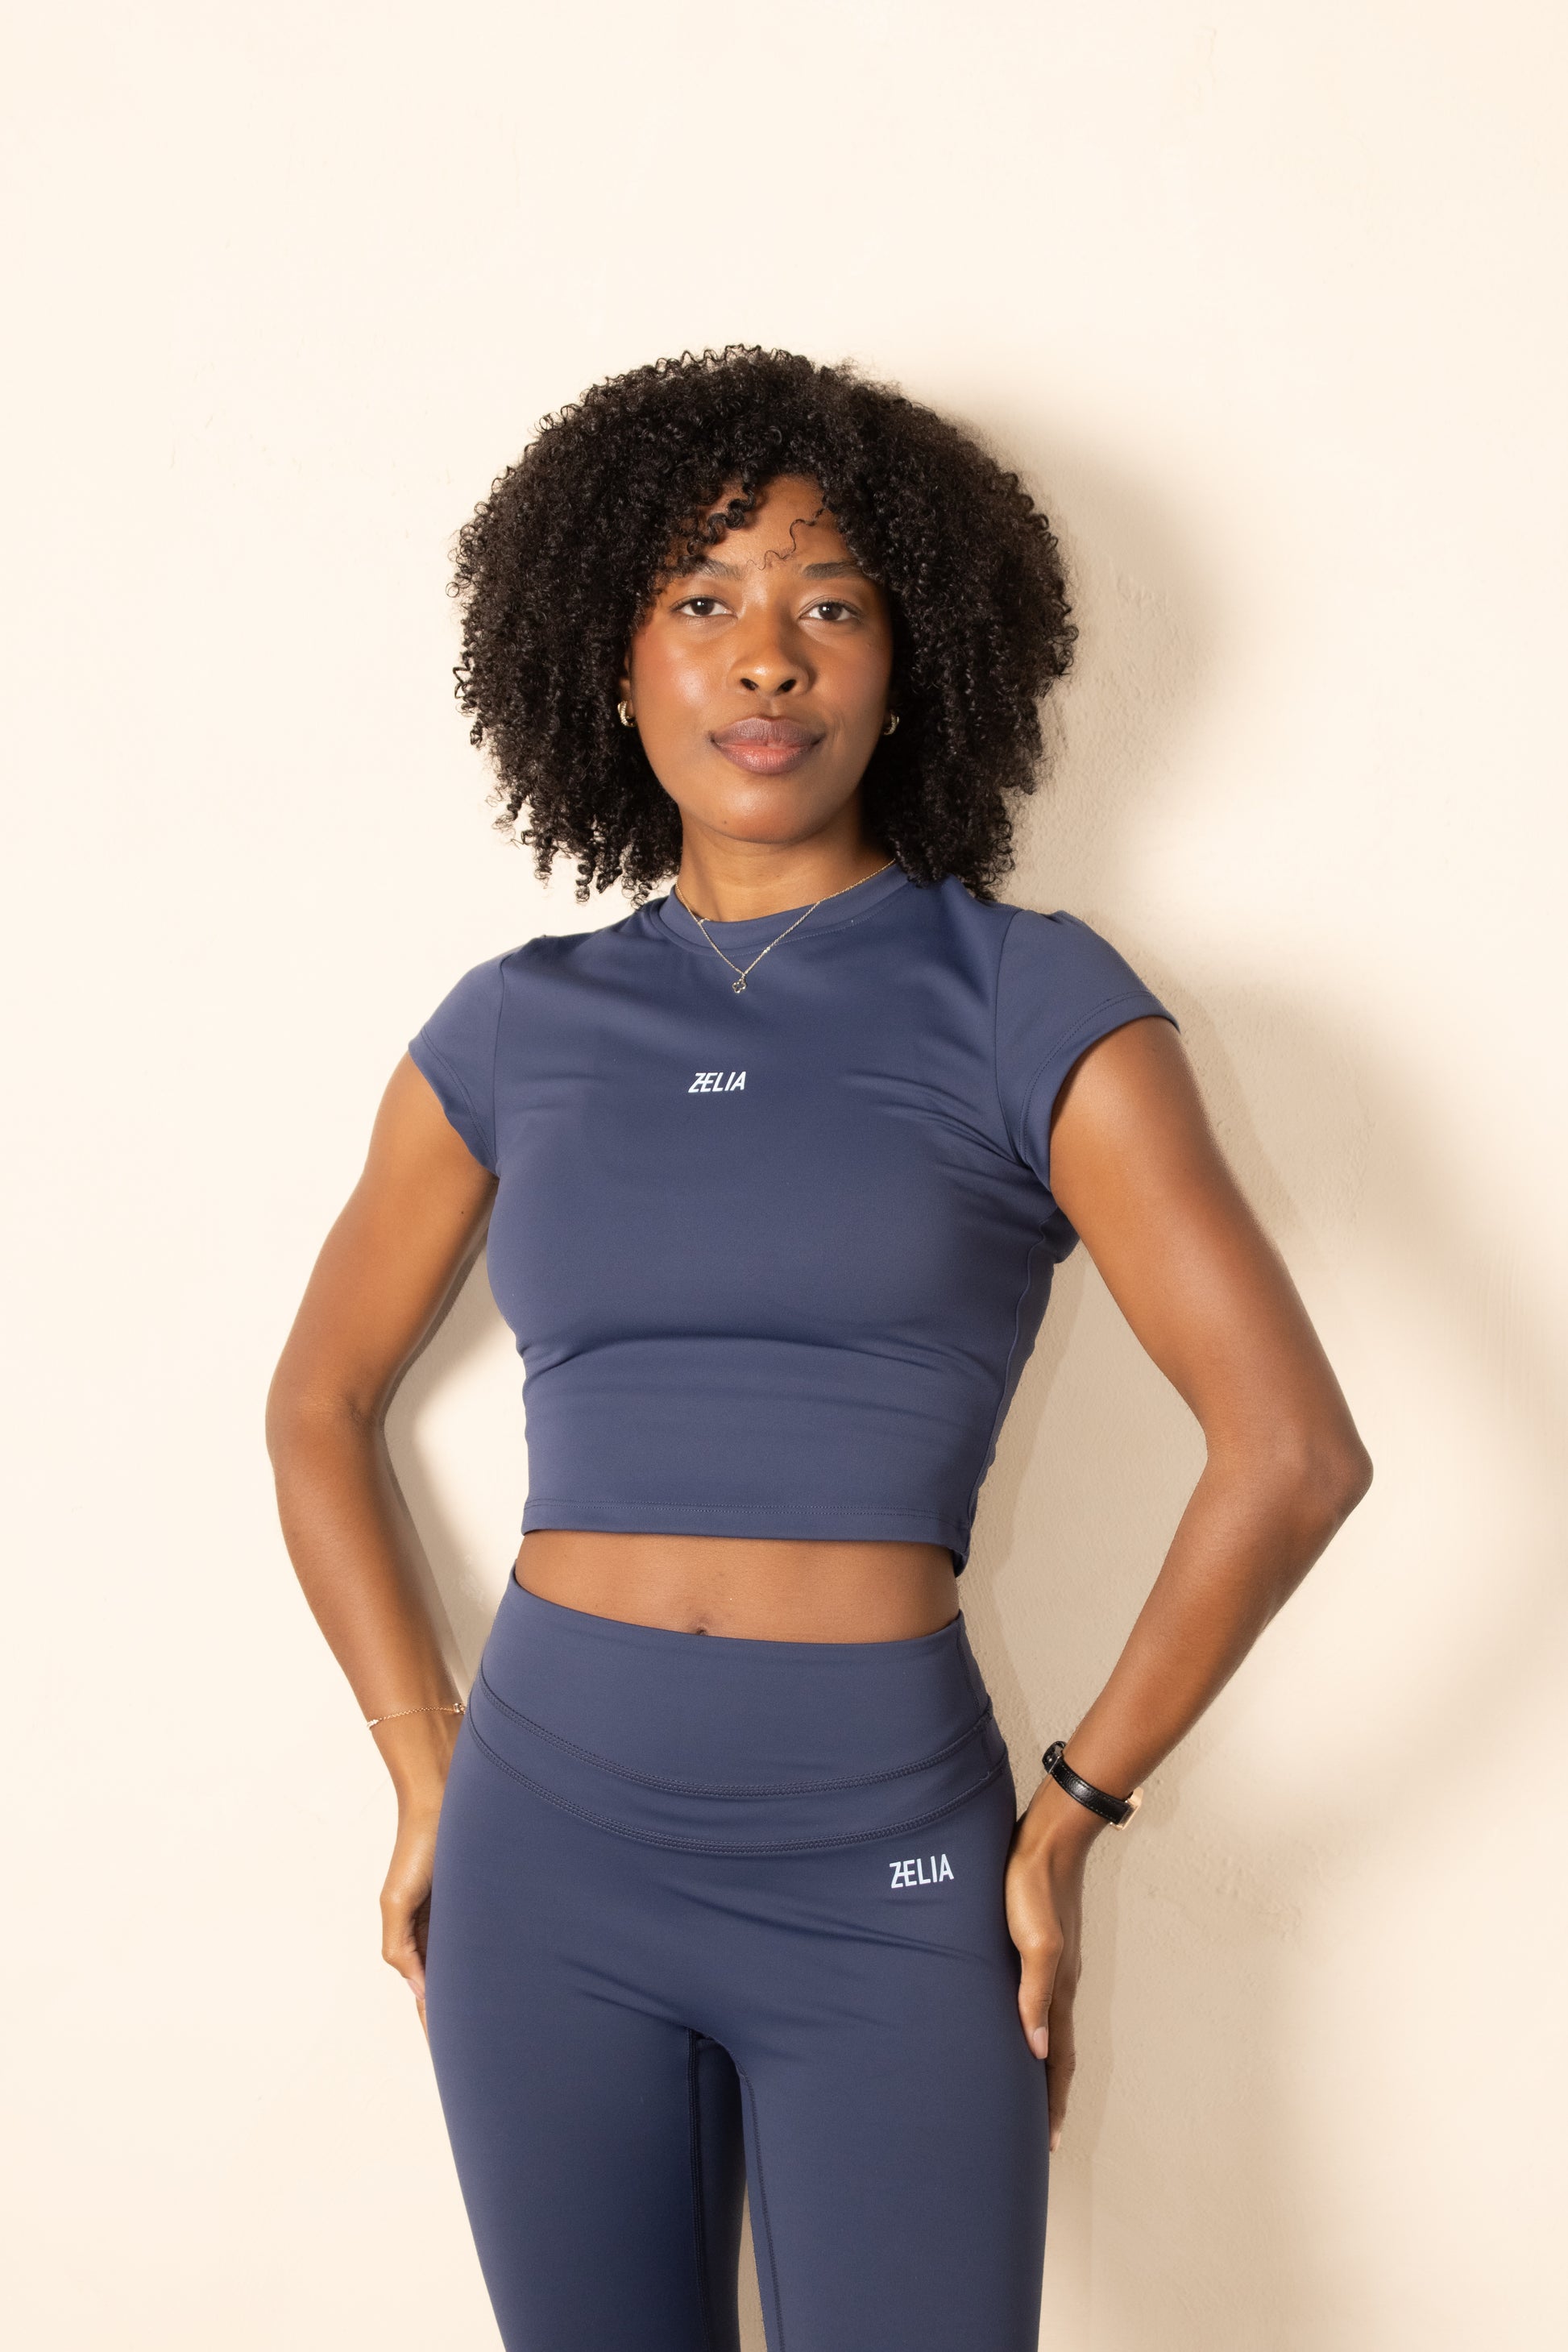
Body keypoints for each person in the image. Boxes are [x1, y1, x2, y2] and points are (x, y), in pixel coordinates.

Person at [267, 346, 1371, 2352]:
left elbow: (1291, 1449)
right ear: (612, 667)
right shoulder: (515, 1023)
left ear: (906, 661)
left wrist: (1075, 1806)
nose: (765, 654)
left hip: (880, 1848)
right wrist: (427, 1772)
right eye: (702, 599)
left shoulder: (1029, 1000)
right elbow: (315, 1402)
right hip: (544, 1847)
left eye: (829, 602)